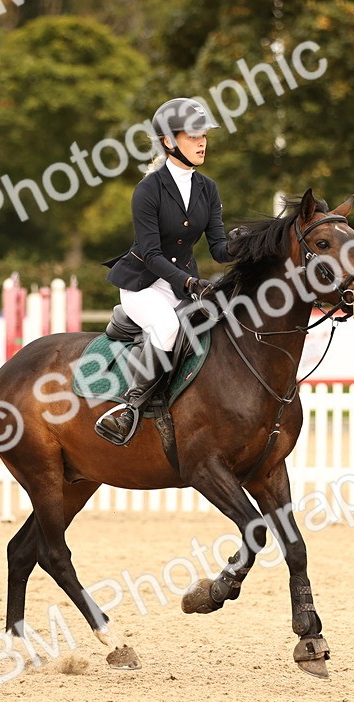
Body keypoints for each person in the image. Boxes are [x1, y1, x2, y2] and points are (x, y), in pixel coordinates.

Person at [95, 97, 233, 445]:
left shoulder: (208, 188)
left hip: (180, 284)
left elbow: (219, 248)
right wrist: (189, 283)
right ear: (169, 142)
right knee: (169, 326)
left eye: (204, 135)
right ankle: (129, 407)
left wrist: (250, 244)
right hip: (142, 284)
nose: (202, 142)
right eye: (193, 135)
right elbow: (153, 254)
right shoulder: (148, 189)